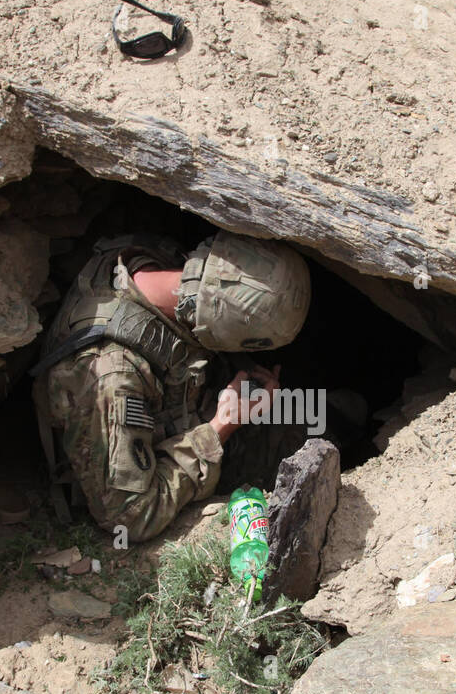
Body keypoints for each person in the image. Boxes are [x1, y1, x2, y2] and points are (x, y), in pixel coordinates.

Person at [31, 230, 311, 541]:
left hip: (190, 402)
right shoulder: (109, 376)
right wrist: (223, 425)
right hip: (146, 465)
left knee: (309, 419)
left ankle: (336, 415)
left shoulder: (151, 261)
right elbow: (130, 518)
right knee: (296, 444)